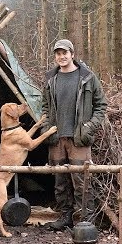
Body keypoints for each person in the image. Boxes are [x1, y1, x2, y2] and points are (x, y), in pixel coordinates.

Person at [40, 39, 108, 231]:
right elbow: (45, 106)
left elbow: (101, 105)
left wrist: (89, 127)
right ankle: (65, 217)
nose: (62, 57)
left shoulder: (87, 77)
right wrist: (46, 127)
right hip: (56, 138)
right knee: (60, 182)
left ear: (72, 54)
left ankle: (86, 220)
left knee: (82, 181)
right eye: (58, 54)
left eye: (65, 53)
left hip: (79, 138)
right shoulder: (50, 79)